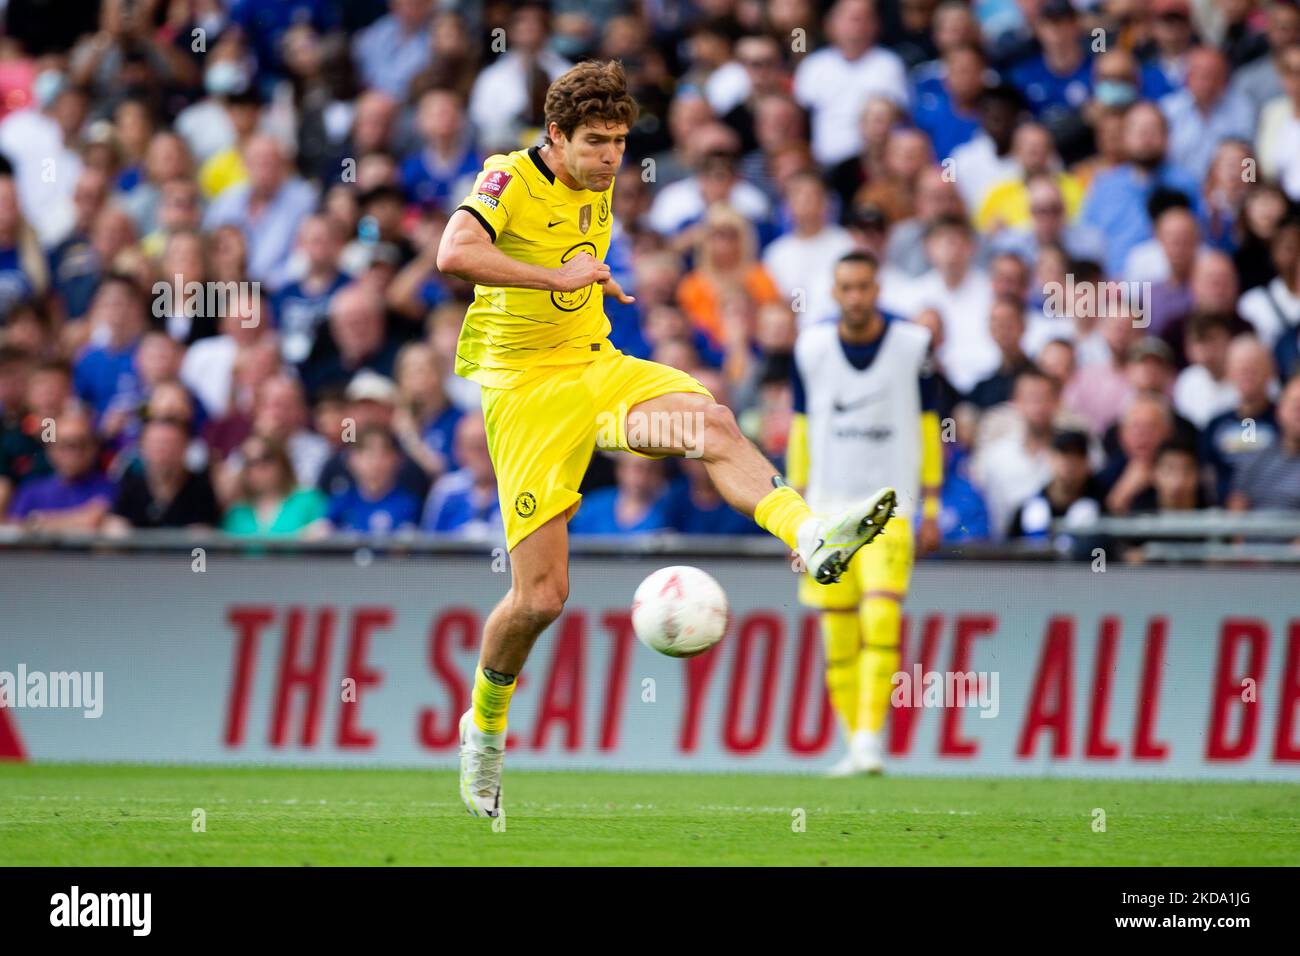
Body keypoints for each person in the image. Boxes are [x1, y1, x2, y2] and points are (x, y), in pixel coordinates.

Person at [435, 61, 897, 819]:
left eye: (619, 141)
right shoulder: (507, 178)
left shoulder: (601, 177)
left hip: (599, 367)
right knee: (541, 598)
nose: (610, 157)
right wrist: (558, 279)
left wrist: (597, 283)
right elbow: (453, 253)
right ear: (554, 136)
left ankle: (811, 538)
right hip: (525, 395)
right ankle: (483, 731)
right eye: (593, 143)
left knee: (711, 420)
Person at [787, 251, 941, 776]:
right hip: (827, 509)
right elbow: (802, 432)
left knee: (881, 617)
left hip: (890, 508)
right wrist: (794, 514)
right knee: (838, 635)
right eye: (846, 287)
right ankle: (855, 743)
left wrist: (933, 503)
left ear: (878, 289)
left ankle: (871, 737)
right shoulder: (810, 349)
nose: (855, 296)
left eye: (864, 286)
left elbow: (928, 426)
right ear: (835, 292)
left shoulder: (913, 347)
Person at [221, 435, 326, 537]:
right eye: (249, 462)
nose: (257, 468)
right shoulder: (236, 514)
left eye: (266, 458)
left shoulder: (308, 501)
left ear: (282, 461)